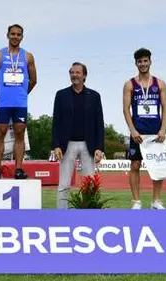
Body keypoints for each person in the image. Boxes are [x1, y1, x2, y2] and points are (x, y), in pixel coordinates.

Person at [0, 24, 37, 179]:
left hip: (20, 104)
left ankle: (19, 169)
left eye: (18, 34)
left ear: (22, 37)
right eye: (12, 34)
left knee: (19, 134)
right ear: (7, 35)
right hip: (3, 103)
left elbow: (33, 80)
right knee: (0, 133)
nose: (15, 37)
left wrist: (22, 94)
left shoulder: (28, 56)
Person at [52, 62, 105, 209]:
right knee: (64, 184)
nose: (74, 75)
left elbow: (99, 123)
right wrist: (56, 145)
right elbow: (56, 122)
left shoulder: (94, 96)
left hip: (88, 145)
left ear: (84, 76)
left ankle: (89, 214)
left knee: (90, 184)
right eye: (72, 72)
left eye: (77, 72)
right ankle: (61, 214)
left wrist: (100, 147)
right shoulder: (61, 95)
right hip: (66, 145)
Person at [122, 48, 166, 210]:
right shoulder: (129, 84)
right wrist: (132, 130)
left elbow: (165, 107)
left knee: (157, 166)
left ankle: (156, 201)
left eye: (145, 60)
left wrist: (163, 129)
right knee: (135, 165)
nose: (143, 64)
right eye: (139, 61)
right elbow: (126, 109)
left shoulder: (160, 83)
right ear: (136, 63)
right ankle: (136, 201)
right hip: (138, 133)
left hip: (156, 132)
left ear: (150, 61)